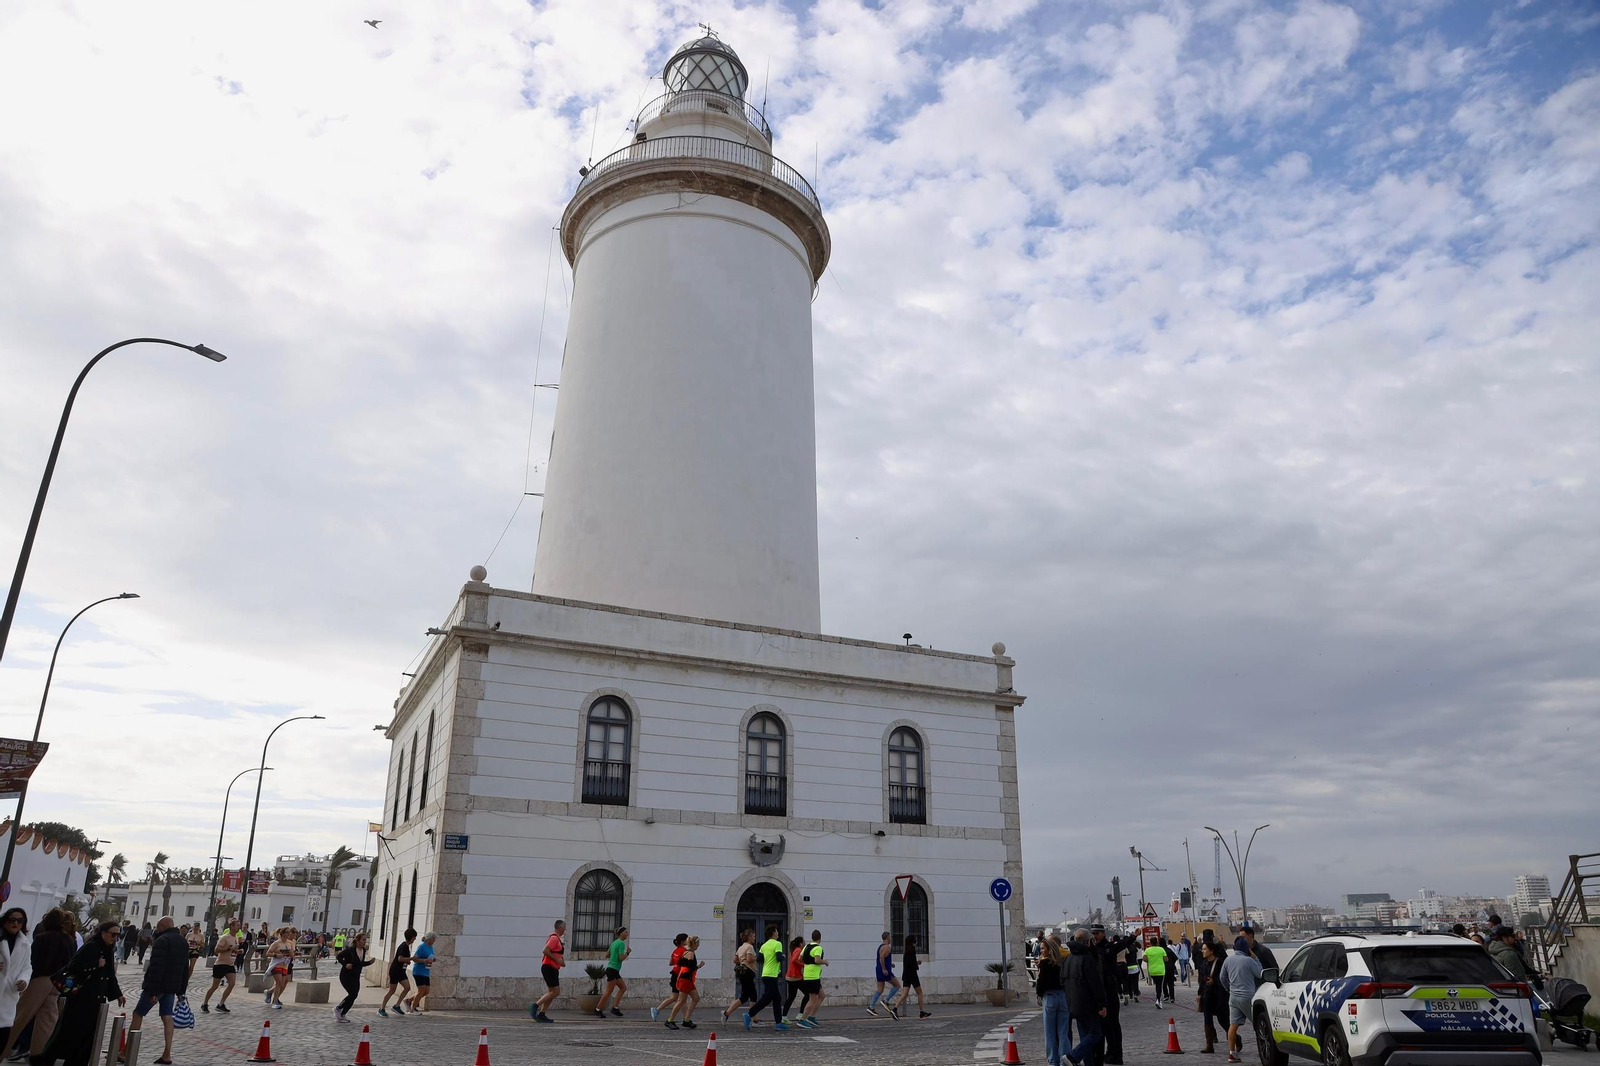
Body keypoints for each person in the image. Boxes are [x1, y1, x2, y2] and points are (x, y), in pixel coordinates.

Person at [38, 921, 124, 1066]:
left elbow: (110, 975)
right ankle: (46, 1059)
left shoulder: (108, 949)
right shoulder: (91, 946)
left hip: (96, 999)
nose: (115, 938)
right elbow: (74, 966)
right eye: (113, 934)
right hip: (81, 998)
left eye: (117, 935)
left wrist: (118, 994)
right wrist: (95, 964)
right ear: (103, 933)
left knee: (87, 1037)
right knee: (70, 1033)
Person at [3, 908, 71, 1062]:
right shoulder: (68, 939)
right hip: (57, 982)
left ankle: (3, 1049)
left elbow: (33, 962)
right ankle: (40, 1056)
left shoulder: (42, 938)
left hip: (41, 979)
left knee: (20, 1016)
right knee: (47, 1021)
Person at [127, 917, 186, 1066]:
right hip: (172, 987)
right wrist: (181, 990)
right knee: (167, 1017)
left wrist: (153, 991)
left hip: (158, 986)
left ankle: (126, 1051)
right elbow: (185, 968)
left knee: (138, 1014)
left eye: (158, 927)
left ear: (162, 925)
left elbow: (156, 967)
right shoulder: (182, 941)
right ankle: (167, 1053)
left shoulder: (162, 941)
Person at [1064, 930, 1107, 1066]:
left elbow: (1062, 980)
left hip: (1073, 1003)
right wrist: (1102, 1003)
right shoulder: (1086, 958)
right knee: (1095, 1033)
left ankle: (1089, 1063)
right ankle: (1073, 1056)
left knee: (1085, 1036)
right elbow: (1095, 984)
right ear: (1088, 941)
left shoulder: (1069, 958)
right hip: (1088, 1004)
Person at [1089, 925, 1131, 1064]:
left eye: (1097, 933)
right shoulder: (1092, 948)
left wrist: (1133, 936)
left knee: (1113, 1023)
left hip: (1110, 988)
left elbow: (1122, 944)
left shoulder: (1109, 947)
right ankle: (1109, 1052)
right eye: (1093, 933)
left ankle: (1117, 1054)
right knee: (1104, 1025)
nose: (1094, 936)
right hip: (1100, 990)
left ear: (1103, 933)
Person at [1219, 937, 1262, 1063]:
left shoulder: (1228, 960)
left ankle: (1232, 1053)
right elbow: (1260, 973)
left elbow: (1222, 977)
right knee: (1259, 1024)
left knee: (1233, 1026)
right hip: (1248, 996)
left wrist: (1229, 989)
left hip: (1233, 997)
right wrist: (1256, 958)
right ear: (1246, 949)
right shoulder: (1249, 960)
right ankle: (1264, 1050)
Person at [743, 924, 788, 1031]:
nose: (778, 934)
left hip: (765, 974)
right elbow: (778, 957)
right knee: (767, 998)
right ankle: (749, 1014)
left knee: (777, 999)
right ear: (773, 933)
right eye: (777, 932)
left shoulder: (764, 945)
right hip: (772, 975)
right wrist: (783, 957)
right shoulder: (778, 944)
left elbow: (759, 959)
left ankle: (778, 1023)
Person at [1036, 934, 1069, 1066]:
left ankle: (1052, 1060)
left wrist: (1039, 994)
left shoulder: (1045, 963)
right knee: (1063, 1032)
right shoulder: (1062, 962)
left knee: (1050, 1033)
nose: (1041, 951)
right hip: (1063, 996)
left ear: (1049, 949)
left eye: (1043, 948)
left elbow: (1041, 982)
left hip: (1049, 997)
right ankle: (1064, 1061)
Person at [0, 909, 30, 1057]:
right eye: (12, 920)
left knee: (1, 1040)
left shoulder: (25, 944)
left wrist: (23, 981)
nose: (16, 923)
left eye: (20, 921)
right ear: (5, 921)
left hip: (8, 998)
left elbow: (27, 967)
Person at [1196, 939, 1229, 1053]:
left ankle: (1235, 1039)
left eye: (1205, 949)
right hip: (1207, 995)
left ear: (1211, 951)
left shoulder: (1220, 963)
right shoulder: (1203, 963)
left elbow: (1225, 979)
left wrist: (1214, 981)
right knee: (1207, 1019)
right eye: (1202, 949)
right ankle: (1209, 1044)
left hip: (1219, 995)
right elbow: (1201, 980)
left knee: (1222, 1019)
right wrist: (1199, 994)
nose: (1203, 951)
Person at [334, 933, 376, 1022]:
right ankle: (338, 1008)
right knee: (352, 994)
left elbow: (360, 963)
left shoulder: (363, 950)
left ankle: (343, 1014)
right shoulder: (351, 950)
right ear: (357, 940)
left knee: (354, 995)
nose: (365, 942)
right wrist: (345, 964)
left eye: (365, 940)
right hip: (346, 975)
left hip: (355, 976)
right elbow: (339, 956)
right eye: (363, 940)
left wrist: (369, 962)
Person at [199, 921, 239, 1013]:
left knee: (232, 983)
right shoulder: (225, 937)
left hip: (230, 964)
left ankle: (221, 1004)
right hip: (221, 964)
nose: (238, 927)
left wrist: (237, 951)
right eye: (237, 925)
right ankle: (204, 1003)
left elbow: (233, 950)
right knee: (215, 986)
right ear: (231, 926)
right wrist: (228, 949)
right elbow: (216, 950)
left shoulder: (236, 938)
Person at [720, 929, 756, 1025]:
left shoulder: (741, 947)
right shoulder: (749, 947)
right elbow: (749, 959)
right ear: (749, 937)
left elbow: (735, 959)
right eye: (753, 936)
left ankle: (753, 1018)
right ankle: (751, 1018)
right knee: (747, 996)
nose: (754, 938)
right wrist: (757, 958)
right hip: (748, 972)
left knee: (751, 996)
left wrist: (742, 961)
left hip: (743, 972)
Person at [792, 929, 827, 1029]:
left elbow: (800, 959)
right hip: (813, 976)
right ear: (820, 938)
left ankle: (811, 1017)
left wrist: (807, 963)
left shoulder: (806, 947)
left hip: (807, 975)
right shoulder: (818, 948)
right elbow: (817, 960)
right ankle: (802, 1020)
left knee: (822, 995)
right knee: (812, 999)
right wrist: (825, 962)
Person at [530, 920, 563, 1023]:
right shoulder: (554, 938)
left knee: (551, 992)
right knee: (556, 992)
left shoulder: (557, 939)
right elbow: (545, 950)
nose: (565, 929)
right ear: (559, 927)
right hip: (549, 968)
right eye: (564, 927)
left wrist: (561, 961)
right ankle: (535, 1006)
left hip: (552, 967)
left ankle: (542, 1014)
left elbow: (556, 952)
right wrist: (557, 960)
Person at [892, 933, 931, 1019]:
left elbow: (909, 963)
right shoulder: (912, 950)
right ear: (913, 942)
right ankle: (921, 1012)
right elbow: (912, 965)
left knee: (904, 994)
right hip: (912, 975)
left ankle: (895, 1009)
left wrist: (916, 963)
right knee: (920, 993)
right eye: (915, 941)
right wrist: (917, 965)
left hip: (906, 974)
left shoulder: (906, 950)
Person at [379, 928, 416, 1018]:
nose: (415, 939)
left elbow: (403, 959)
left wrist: (407, 961)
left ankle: (397, 1006)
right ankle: (381, 1008)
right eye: (414, 937)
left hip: (401, 971)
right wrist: (411, 959)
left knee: (407, 987)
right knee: (392, 990)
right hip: (395, 970)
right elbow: (400, 958)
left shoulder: (406, 946)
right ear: (412, 937)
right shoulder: (404, 946)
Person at [651, 934, 688, 1023]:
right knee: (678, 998)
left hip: (674, 974)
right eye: (687, 939)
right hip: (679, 976)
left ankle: (686, 1018)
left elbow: (671, 963)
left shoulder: (675, 950)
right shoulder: (684, 950)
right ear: (683, 941)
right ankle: (657, 1010)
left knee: (679, 998)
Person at [867, 931, 901, 1017]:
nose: (891, 939)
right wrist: (884, 969)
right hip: (884, 971)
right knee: (897, 985)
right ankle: (886, 1001)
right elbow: (882, 957)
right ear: (887, 937)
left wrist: (890, 964)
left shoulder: (880, 947)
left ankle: (871, 1007)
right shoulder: (887, 947)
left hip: (878, 970)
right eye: (890, 937)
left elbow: (883, 958)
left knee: (880, 990)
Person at [596, 927, 628, 1018]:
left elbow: (606, 955)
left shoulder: (614, 942)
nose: (627, 934)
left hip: (613, 969)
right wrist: (628, 953)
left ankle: (615, 1008)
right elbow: (621, 958)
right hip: (613, 969)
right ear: (621, 933)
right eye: (625, 932)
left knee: (623, 988)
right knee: (608, 991)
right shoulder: (621, 944)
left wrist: (614, 954)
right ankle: (598, 1009)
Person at [671, 936, 702, 1030]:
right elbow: (690, 968)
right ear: (695, 944)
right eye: (698, 944)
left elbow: (680, 963)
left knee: (696, 998)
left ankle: (687, 1019)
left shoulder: (685, 952)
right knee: (681, 1001)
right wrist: (699, 966)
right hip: (685, 979)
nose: (698, 946)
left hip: (685, 979)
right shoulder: (691, 954)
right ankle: (670, 1020)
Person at [407, 932, 437, 1013]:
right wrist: (424, 960)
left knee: (426, 991)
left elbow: (431, 956)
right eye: (433, 939)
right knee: (421, 990)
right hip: (419, 971)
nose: (434, 940)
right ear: (429, 939)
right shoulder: (422, 947)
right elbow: (415, 959)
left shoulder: (431, 947)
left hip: (426, 971)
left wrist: (433, 959)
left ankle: (409, 1000)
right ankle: (413, 1009)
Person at [781, 935, 806, 1025]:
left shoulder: (795, 950)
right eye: (803, 942)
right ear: (800, 944)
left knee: (791, 997)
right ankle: (801, 1014)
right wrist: (803, 965)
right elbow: (794, 960)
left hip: (790, 977)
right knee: (807, 994)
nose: (804, 943)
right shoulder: (798, 950)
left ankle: (784, 1017)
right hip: (796, 977)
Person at [1143, 937, 1168, 1006]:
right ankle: (1158, 1000)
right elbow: (1166, 959)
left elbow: (1144, 959)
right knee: (1159, 986)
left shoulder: (1147, 950)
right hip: (1160, 970)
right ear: (1157, 942)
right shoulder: (1161, 949)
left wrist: (1150, 960)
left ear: (1150, 943)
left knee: (1157, 985)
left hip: (1152, 970)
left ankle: (1158, 999)